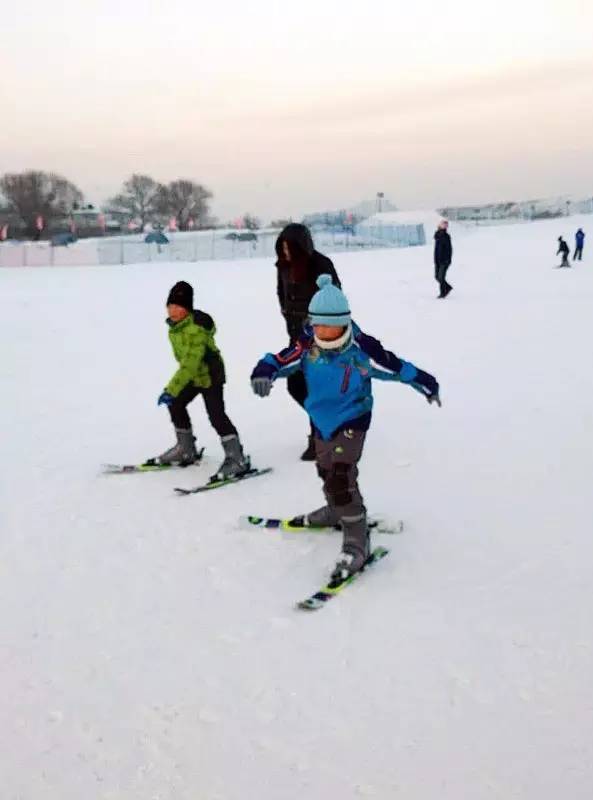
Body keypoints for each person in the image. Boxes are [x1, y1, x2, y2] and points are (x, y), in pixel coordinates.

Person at [251, 275, 440, 580]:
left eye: (329, 324)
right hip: (321, 419)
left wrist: (427, 383)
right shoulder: (306, 343)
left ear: (344, 322)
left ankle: (357, 541)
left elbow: (396, 366)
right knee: (325, 469)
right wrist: (264, 371)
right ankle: (334, 510)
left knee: (341, 474)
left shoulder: (361, 347)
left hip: (353, 416)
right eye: (317, 324)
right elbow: (278, 359)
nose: (322, 330)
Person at [154, 280, 249, 479]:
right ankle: (185, 448)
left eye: (177, 307)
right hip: (194, 374)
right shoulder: (176, 327)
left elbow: (190, 362)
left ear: (187, 309)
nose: (172, 311)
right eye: (169, 306)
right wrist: (174, 392)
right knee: (176, 403)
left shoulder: (196, 329)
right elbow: (187, 365)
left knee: (216, 415)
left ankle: (237, 458)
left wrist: (171, 389)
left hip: (211, 374)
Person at [274, 223, 341, 460]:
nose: (286, 252)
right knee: (296, 385)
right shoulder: (283, 267)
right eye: (282, 247)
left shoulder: (320, 265)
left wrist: (315, 322)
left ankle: (321, 436)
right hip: (296, 337)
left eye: (289, 247)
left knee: (314, 386)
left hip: (321, 338)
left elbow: (334, 299)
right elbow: (281, 293)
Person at [434, 219, 453, 298]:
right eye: (443, 224)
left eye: (446, 225)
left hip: (444, 261)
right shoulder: (437, 235)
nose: (444, 225)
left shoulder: (446, 236)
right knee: (437, 277)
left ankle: (443, 293)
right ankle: (448, 287)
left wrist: (447, 260)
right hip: (437, 259)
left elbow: (449, 249)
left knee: (441, 277)